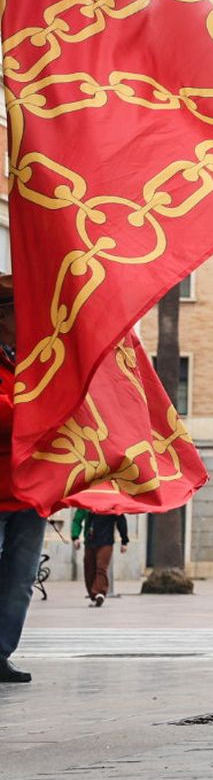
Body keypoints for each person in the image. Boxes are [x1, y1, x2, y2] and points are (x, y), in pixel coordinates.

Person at [0, 274, 46, 683]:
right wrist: (31, 411)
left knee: (20, 581)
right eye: (20, 309)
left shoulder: (37, 359)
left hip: (30, 493)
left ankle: (0, 654)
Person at [70, 508, 128, 606]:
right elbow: (77, 519)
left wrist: (124, 541)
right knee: (89, 569)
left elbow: (121, 521)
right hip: (90, 541)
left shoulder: (112, 504)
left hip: (106, 542)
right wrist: (75, 537)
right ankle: (94, 595)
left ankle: (99, 593)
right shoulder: (86, 503)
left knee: (101, 567)